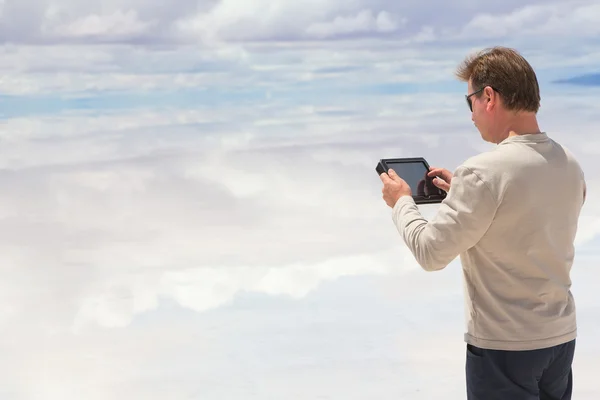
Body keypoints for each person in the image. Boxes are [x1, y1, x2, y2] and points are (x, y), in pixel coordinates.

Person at [379, 46, 587, 400]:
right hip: (560, 340)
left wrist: (401, 202)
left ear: (488, 97)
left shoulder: (484, 173)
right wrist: (461, 192)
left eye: (470, 101)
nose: (472, 115)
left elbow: (430, 252)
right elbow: (527, 219)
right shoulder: (569, 164)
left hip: (505, 348)